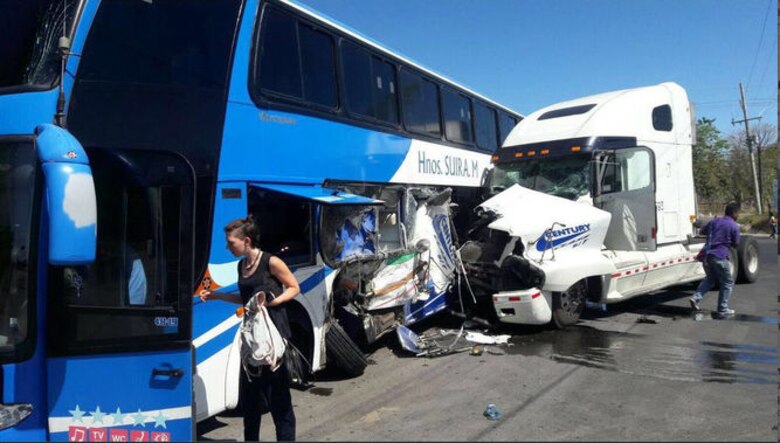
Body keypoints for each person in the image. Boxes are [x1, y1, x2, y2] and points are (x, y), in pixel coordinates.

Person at [200, 215, 300, 441]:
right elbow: (245, 299)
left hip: (272, 338)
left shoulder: (271, 262)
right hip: (252, 339)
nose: (228, 248)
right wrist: (217, 296)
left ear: (246, 241)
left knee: (279, 401)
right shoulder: (241, 265)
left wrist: (274, 302)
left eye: (231, 243)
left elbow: (294, 287)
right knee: (251, 401)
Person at [689, 202, 741, 319]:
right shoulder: (734, 226)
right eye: (738, 213)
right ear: (734, 213)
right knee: (727, 282)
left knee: (710, 279)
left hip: (707, 256)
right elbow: (736, 244)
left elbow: (702, 231)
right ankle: (723, 309)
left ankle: (696, 298)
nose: (738, 216)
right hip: (720, 256)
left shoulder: (714, 221)